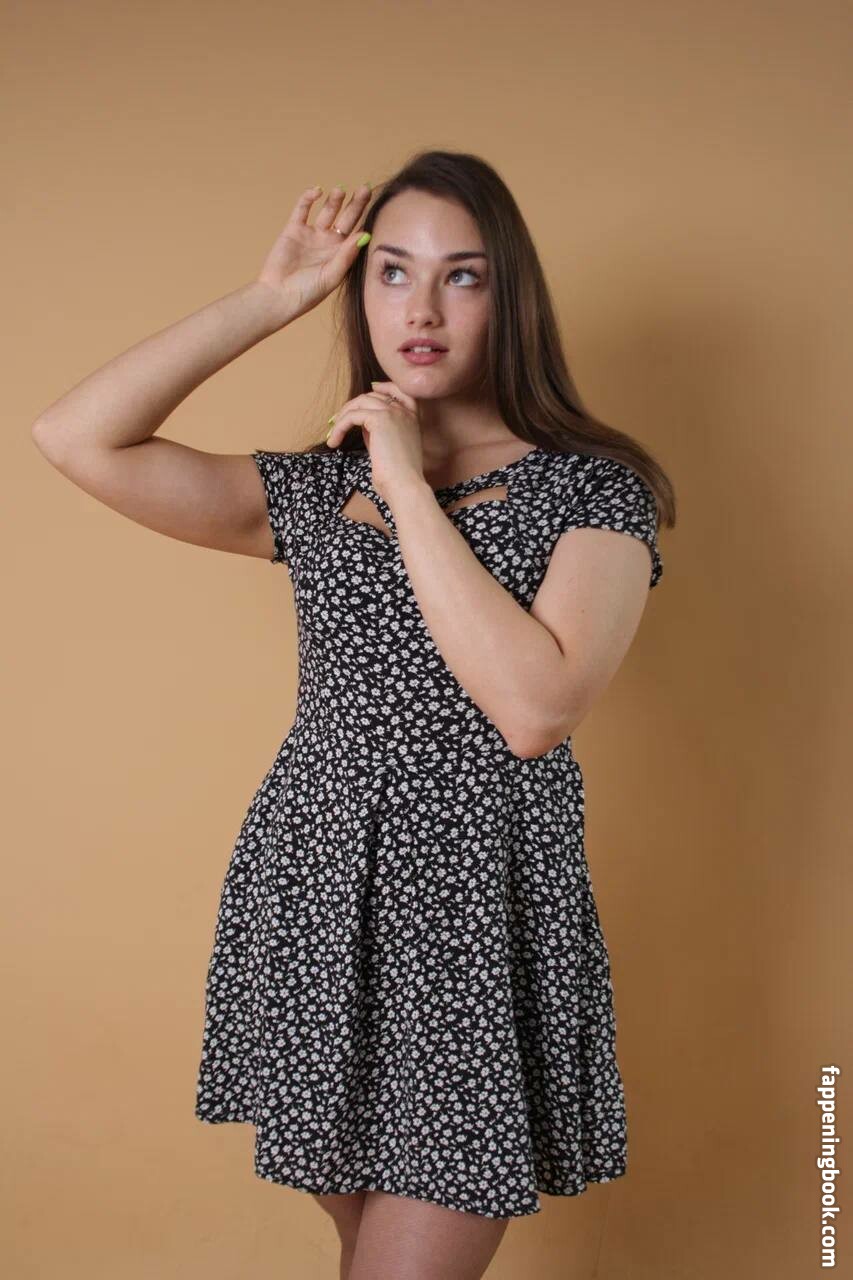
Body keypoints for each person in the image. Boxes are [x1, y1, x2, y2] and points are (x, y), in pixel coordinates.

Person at [31, 149, 676, 1280]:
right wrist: (271, 297)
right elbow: (77, 437)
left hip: (475, 922)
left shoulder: (592, 488)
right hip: (317, 905)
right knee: (362, 1254)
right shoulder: (319, 489)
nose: (421, 308)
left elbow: (534, 709)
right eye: (392, 272)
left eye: (462, 276)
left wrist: (410, 486)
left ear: (510, 297)